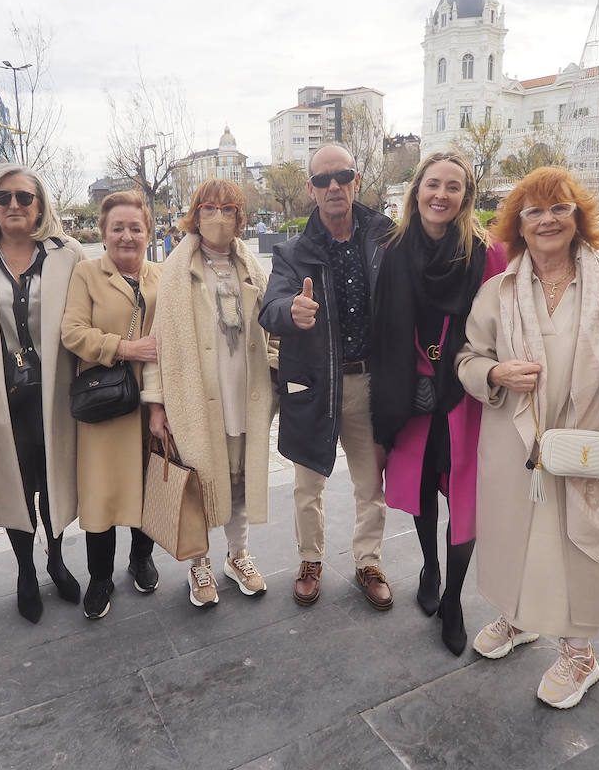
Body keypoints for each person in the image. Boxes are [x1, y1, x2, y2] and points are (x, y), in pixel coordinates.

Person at [454, 167, 599, 708]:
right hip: (515, 437)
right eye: (533, 211)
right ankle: (519, 618)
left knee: (574, 540)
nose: (547, 220)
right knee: (516, 535)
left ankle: (579, 653)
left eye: (559, 207)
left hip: (585, 436)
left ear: (578, 216)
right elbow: (468, 358)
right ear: (519, 224)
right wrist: (494, 374)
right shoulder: (498, 289)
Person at [370, 152, 505, 655]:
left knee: (464, 497)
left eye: (454, 186)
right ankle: (429, 563)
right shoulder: (394, 248)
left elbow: (501, 323)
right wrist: (402, 383)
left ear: (466, 196)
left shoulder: (488, 254)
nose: (441, 194)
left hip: (464, 392)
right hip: (409, 387)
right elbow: (383, 324)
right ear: (417, 190)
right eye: (433, 184)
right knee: (422, 486)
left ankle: (453, 597)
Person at [259, 143, 396, 611]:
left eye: (342, 176)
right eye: (322, 180)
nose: (333, 186)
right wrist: (289, 310)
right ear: (311, 190)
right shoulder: (293, 252)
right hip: (314, 385)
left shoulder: (385, 238)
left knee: (370, 485)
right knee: (307, 485)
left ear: (356, 180)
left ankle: (368, 561)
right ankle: (310, 559)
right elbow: (269, 306)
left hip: (367, 384)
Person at [0, 164, 84, 625]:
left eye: (24, 197)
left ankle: (56, 558)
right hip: (2, 396)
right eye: (2, 198)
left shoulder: (68, 254)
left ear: (40, 203)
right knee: (16, 486)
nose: (13, 206)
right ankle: (26, 570)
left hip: (56, 394)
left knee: (55, 482)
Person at [142, 178, 276, 607]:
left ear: (240, 216)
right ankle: (198, 563)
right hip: (195, 398)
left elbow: (270, 329)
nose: (218, 216)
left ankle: (239, 555)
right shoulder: (176, 271)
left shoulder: (252, 267)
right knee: (199, 482)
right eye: (209, 208)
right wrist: (157, 404)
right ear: (195, 214)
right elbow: (158, 341)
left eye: (228, 208)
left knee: (238, 479)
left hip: (243, 390)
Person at [61, 190, 161, 619]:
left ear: (148, 232)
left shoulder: (162, 275)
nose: (126, 236)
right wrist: (126, 348)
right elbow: (73, 332)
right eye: (117, 228)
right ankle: (99, 576)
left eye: (135, 228)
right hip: (105, 401)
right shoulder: (86, 274)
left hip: (152, 401)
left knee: (147, 484)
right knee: (101, 494)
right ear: (103, 232)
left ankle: (141, 557)